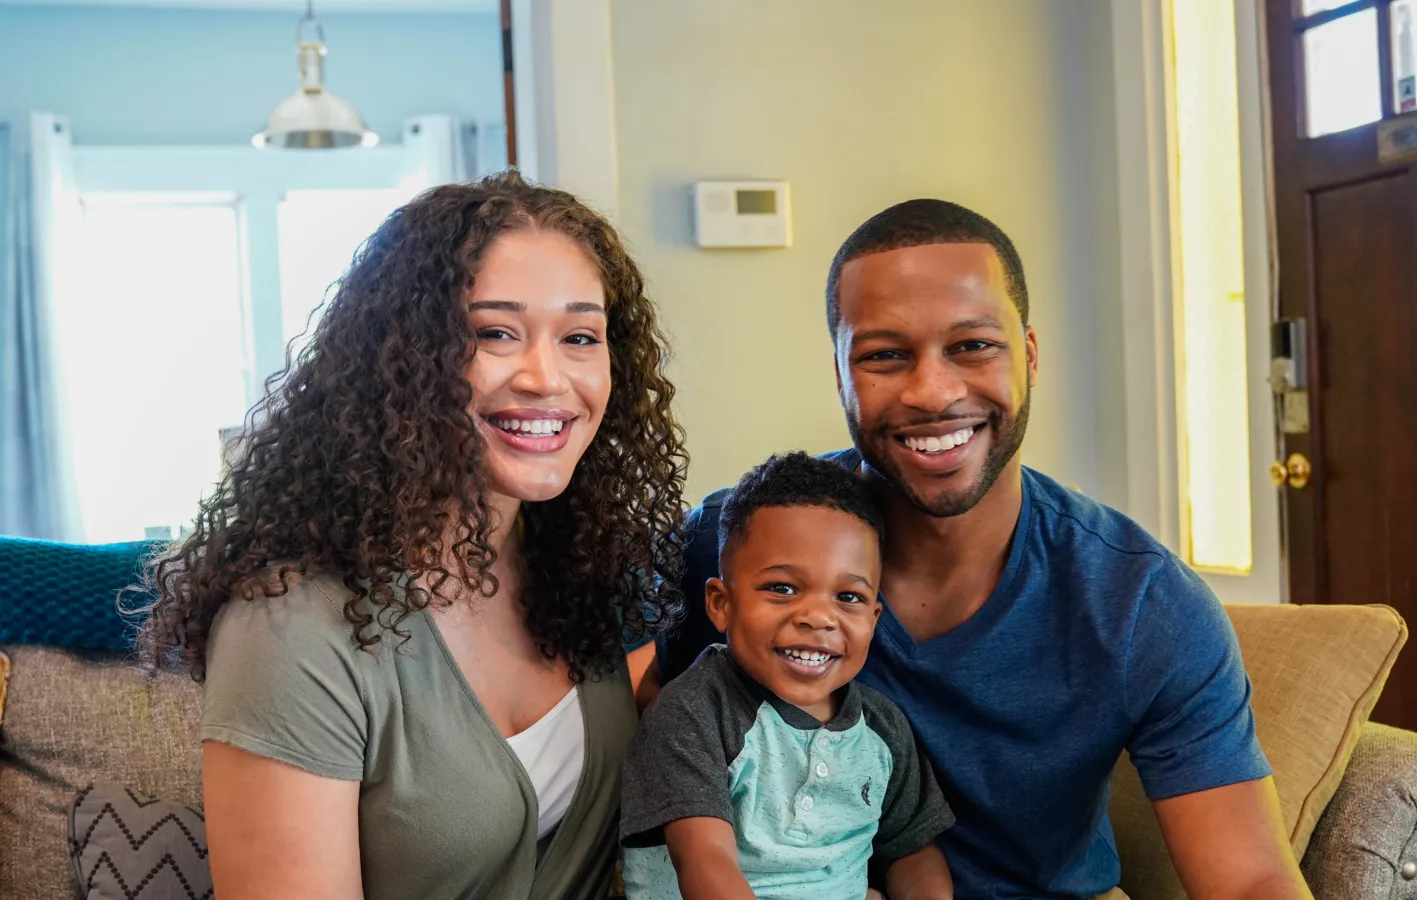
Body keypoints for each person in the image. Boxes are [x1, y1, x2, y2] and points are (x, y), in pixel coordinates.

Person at [650, 200, 1313, 900]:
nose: (933, 392)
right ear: (841, 371)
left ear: (1028, 354)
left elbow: (1249, 880)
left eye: (973, 346)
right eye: (883, 355)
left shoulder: (1141, 604)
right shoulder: (730, 546)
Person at [138, 172, 688, 900]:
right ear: (399, 362)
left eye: (580, 336)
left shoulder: (587, 572)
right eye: (494, 333)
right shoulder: (291, 627)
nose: (547, 377)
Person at [621, 452, 953, 900]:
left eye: (848, 596)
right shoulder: (692, 714)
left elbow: (913, 850)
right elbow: (705, 861)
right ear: (721, 603)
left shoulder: (883, 730)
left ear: (874, 618)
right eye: (782, 588)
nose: (818, 617)